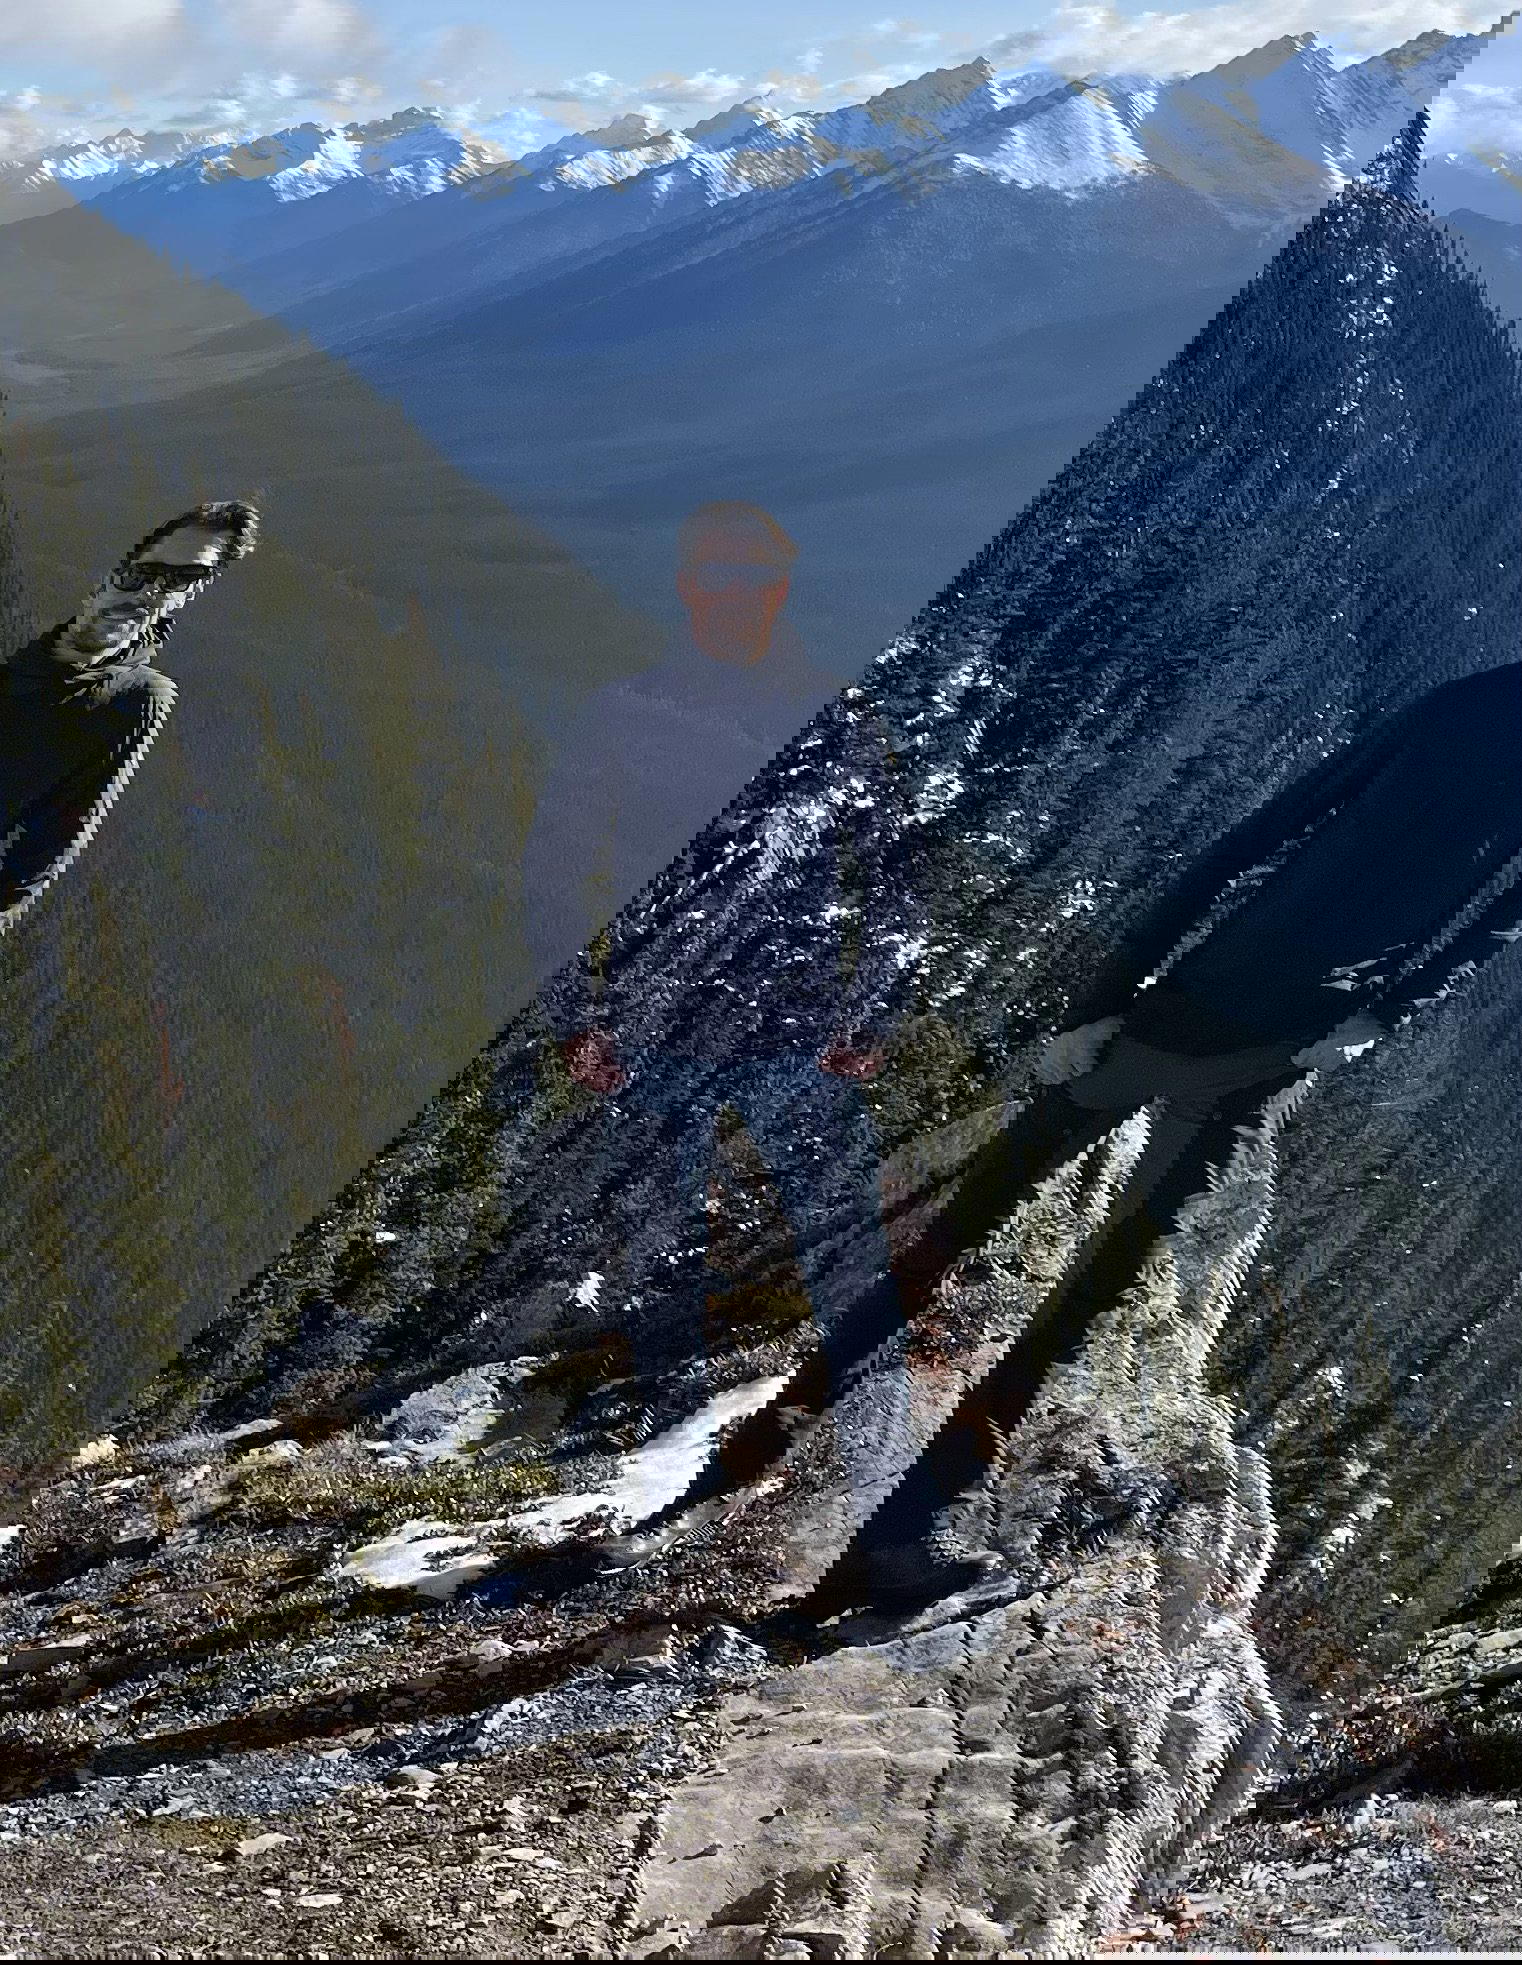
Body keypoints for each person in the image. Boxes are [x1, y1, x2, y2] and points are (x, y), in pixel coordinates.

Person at [521, 502, 924, 1491]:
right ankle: (665, 1467)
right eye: (722, 576)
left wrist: (871, 1009)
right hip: (666, 1030)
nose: (739, 596)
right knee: (661, 1250)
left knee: (836, 1249)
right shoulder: (628, 712)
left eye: (756, 577)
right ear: (691, 586)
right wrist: (577, 1014)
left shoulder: (831, 719)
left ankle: (881, 1462)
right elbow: (557, 872)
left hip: (788, 1034)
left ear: (777, 587)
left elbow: (899, 877)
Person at [0, 503, 259, 936]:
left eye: (176, 581)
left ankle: (135, 592)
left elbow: (59, 830)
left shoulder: (129, 698)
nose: (150, 593)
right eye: (149, 574)